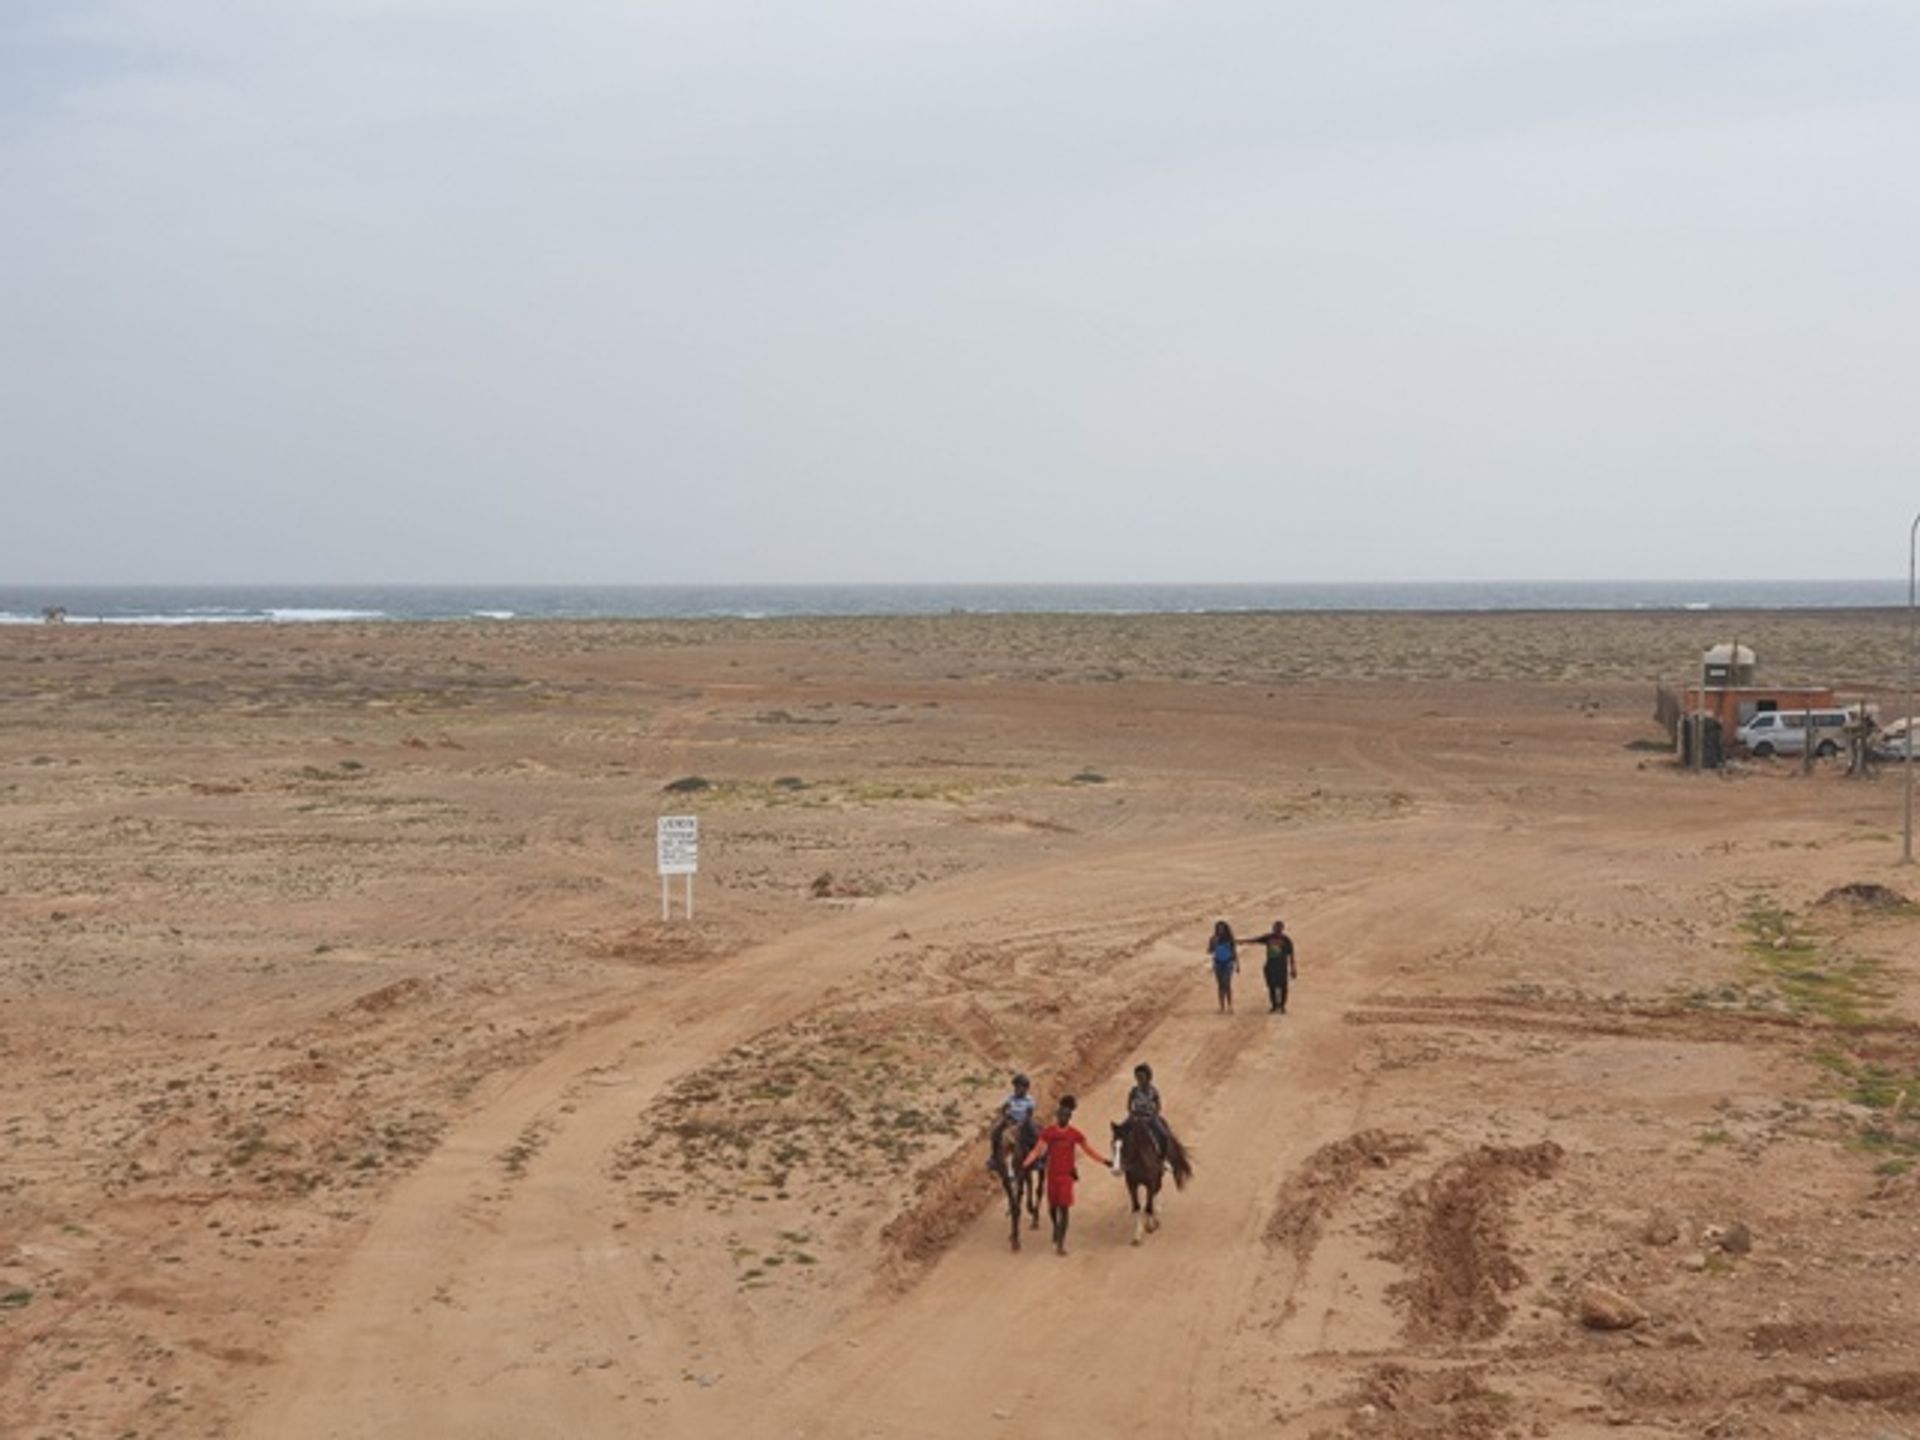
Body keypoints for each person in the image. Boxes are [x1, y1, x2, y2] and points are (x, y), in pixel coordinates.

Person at [1024, 1095, 1109, 1254]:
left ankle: (1060, 1244)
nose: (1062, 1118)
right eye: (1060, 1115)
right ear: (1057, 1116)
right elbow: (1037, 1150)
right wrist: (1025, 1164)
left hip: (1066, 1177)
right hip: (1052, 1176)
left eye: (1065, 1116)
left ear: (1069, 1117)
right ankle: (1056, 1226)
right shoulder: (1049, 1133)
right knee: (1052, 1208)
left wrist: (1104, 1161)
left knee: (1064, 1209)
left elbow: (1088, 1150)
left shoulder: (1075, 1134)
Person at [1116, 1061, 1173, 1173]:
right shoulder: (1134, 1091)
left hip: (1150, 1117)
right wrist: (1132, 1114)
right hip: (1136, 1116)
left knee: (1164, 1136)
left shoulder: (1153, 1091)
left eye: (1141, 1077)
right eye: (1137, 1077)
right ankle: (1120, 1160)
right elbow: (1129, 1105)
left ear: (1148, 1077)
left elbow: (1158, 1106)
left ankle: (1163, 1160)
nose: (1139, 1079)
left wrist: (1153, 1115)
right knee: (1119, 1133)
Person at [986, 1072, 1039, 1173]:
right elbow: (1004, 1109)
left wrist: (1022, 1123)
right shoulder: (1011, 1097)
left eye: (1018, 1087)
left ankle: (1036, 1159)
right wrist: (1004, 1117)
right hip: (1010, 1120)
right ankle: (994, 1157)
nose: (1016, 1089)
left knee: (1035, 1134)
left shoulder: (1030, 1100)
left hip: (1024, 1122)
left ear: (1025, 1088)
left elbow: (1029, 1114)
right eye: (1015, 1086)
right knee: (995, 1132)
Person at [1248, 919, 1297, 1013]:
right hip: (1270, 965)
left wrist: (1293, 968)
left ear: (1282, 929)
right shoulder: (1268, 938)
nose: (1277, 930)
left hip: (1282, 966)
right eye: (1275, 927)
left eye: (1279, 928)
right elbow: (1255, 940)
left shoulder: (1286, 940)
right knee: (1271, 986)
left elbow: (1291, 955)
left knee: (1283, 986)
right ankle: (1274, 1005)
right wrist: (1238, 941)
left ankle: (1282, 1006)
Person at [1206, 919, 1240, 1013]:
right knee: (1220, 985)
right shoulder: (1213, 939)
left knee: (1227, 983)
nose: (1220, 930)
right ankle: (1221, 1006)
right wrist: (1214, 943)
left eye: (1222, 929)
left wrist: (1237, 965)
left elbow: (1234, 952)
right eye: (1218, 929)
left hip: (1228, 963)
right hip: (1218, 964)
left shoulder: (1230, 939)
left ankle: (1230, 1005)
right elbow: (1210, 951)